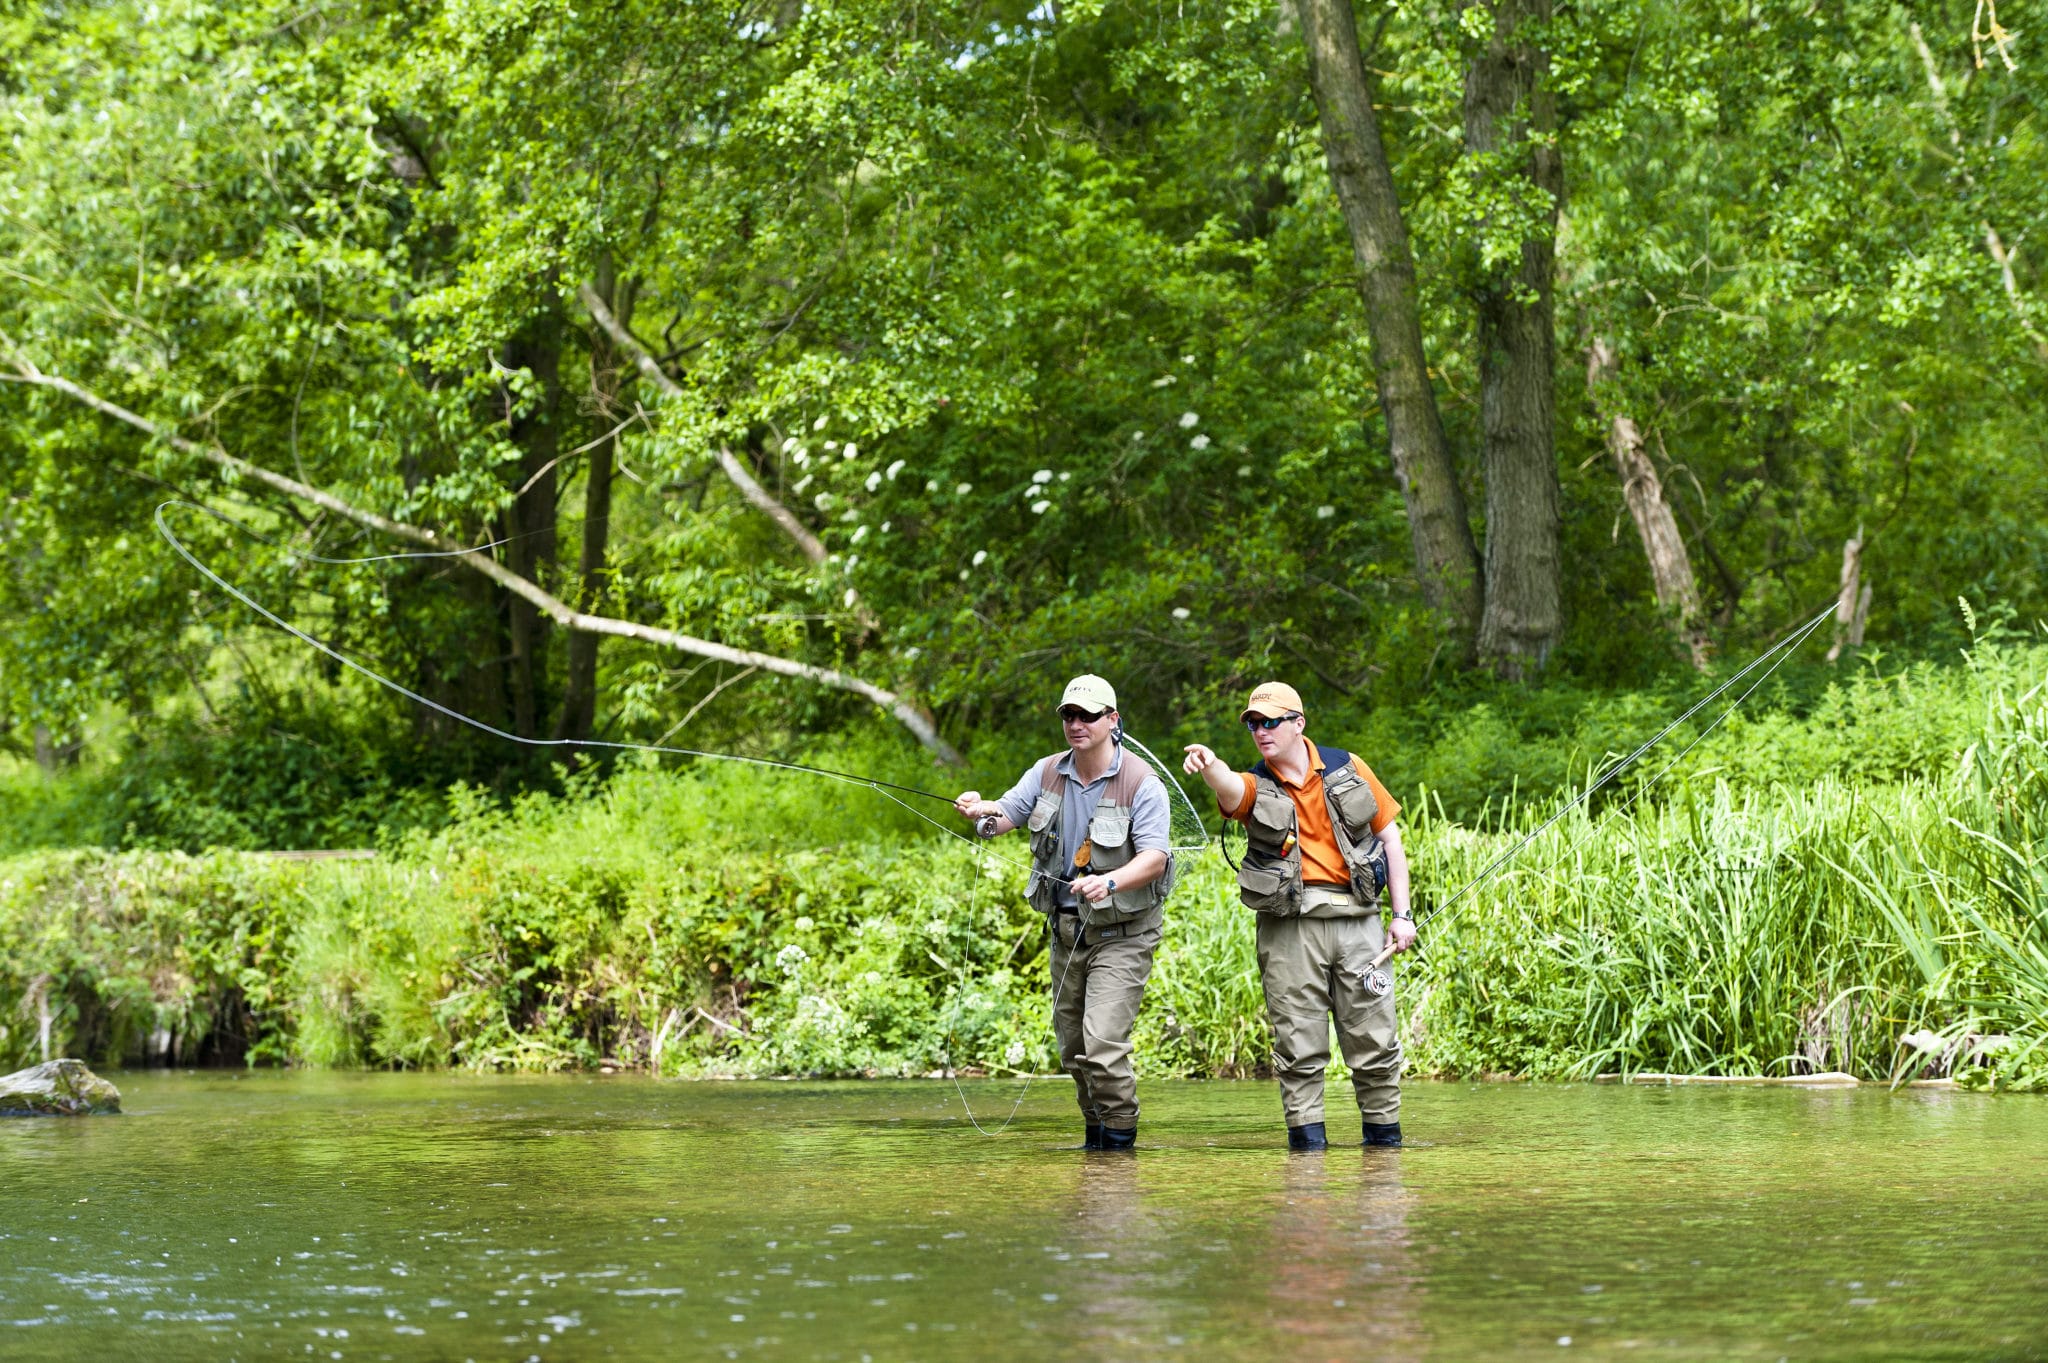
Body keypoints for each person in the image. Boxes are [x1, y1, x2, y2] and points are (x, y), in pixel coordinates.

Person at [1182, 681, 1416, 1150]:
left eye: (1270, 721)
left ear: (1298, 723)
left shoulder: (1348, 766)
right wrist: (1209, 768)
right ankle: (1307, 1170)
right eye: (1253, 723)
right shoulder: (1253, 782)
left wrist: (1402, 915)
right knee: (1298, 1050)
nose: (1261, 731)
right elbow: (1230, 789)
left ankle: (1385, 1154)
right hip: (1289, 931)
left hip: (1360, 927)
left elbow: (1391, 840)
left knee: (1376, 1045)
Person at [954, 675, 1174, 1150]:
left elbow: (1155, 857)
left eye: (1088, 715)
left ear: (1112, 721)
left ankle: (1119, 1149)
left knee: (1102, 1046)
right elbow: (1004, 815)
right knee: (1074, 1051)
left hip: (1124, 933)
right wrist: (979, 814)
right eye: (1069, 715)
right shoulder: (1047, 770)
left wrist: (1109, 881)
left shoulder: (1142, 783)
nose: (1076, 724)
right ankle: (1096, 1148)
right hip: (1066, 930)